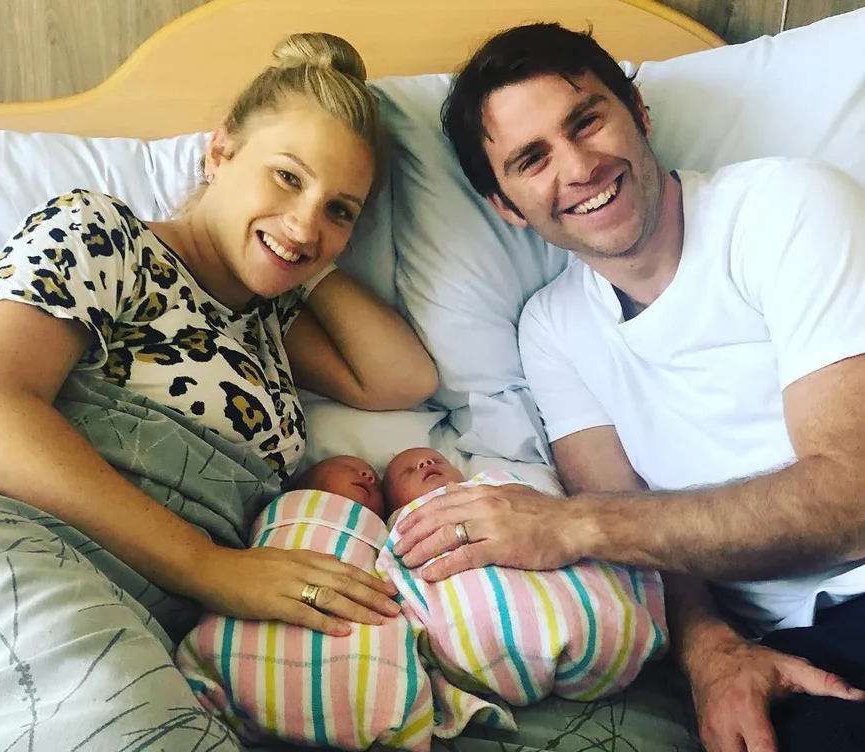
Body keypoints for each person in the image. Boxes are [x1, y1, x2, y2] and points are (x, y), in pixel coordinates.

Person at [392, 23, 865, 752]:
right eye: (532, 159)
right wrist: (712, 658)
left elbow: (851, 499)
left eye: (586, 121)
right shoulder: (551, 331)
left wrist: (573, 526)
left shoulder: (786, 208)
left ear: (638, 114)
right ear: (508, 207)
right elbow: (640, 541)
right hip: (779, 648)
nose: (578, 166)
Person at [0, 33, 436, 750]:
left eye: (342, 209)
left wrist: (297, 250)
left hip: (147, 622)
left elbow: (402, 378)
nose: (311, 218)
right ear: (220, 153)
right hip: (15, 546)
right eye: (286, 175)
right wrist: (207, 565)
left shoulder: (268, 328)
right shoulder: (105, 234)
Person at [176, 455, 439, 751]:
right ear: (303, 484)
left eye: (378, 486)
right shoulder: (285, 507)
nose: (368, 474)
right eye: (346, 466)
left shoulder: (386, 532)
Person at [378, 447, 668, 707]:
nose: (426, 462)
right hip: (482, 645)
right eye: (409, 470)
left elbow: (549, 511)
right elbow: (396, 572)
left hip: (603, 632)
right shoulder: (403, 523)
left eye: (436, 458)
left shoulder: (496, 484)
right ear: (392, 504)